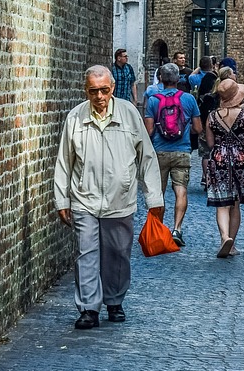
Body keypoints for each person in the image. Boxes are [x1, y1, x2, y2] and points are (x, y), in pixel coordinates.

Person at [54, 65, 162, 329]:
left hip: (120, 198)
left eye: (104, 90)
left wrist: (154, 199)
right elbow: (64, 162)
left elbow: (146, 157)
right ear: (86, 90)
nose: (99, 96)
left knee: (118, 253)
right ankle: (89, 309)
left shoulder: (128, 114)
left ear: (112, 88)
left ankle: (114, 301)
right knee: (85, 254)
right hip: (85, 198)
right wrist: (62, 200)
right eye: (93, 91)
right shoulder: (76, 118)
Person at [144, 63, 202, 247]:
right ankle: (177, 229)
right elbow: (198, 128)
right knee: (181, 190)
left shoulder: (153, 100)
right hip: (182, 151)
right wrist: (184, 130)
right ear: (178, 79)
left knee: (157, 193)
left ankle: (158, 230)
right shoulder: (188, 99)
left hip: (159, 151)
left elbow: (149, 130)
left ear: (161, 78)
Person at [203, 79, 244, 257]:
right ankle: (232, 244)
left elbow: (211, 143)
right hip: (240, 160)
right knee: (235, 204)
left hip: (219, 159)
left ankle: (224, 237)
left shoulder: (212, 116)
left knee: (222, 204)